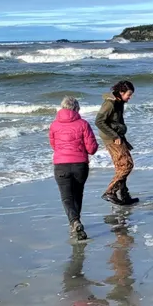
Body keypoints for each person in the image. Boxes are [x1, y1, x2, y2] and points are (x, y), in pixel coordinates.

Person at [49, 96, 99, 240]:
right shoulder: (83, 124)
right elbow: (92, 148)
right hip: (80, 164)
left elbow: (53, 145)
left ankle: (74, 222)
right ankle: (76, 222)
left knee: (66, 197)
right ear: (76, 108)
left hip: (60, 165)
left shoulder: (54, 125)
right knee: (78, 194)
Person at [95, 80, 138, 206]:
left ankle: (124, 195)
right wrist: (114, 136)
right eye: (128, 95)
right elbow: (99, 121)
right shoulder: (110, 103)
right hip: (112, 138)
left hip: (118, 136)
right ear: (121, 92)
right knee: (127, 165)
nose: (130, 98)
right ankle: (110, 192)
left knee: (121, 166)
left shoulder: (120, 102)